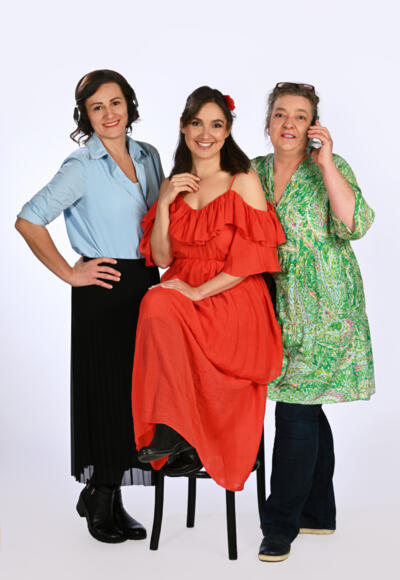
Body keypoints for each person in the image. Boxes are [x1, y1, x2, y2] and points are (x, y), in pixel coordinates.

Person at [15, 69, 164, 543]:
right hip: (103, 288)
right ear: (85, 116)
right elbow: (28, 219)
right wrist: (69, 272)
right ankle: (101, 494)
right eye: (96, 107)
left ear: (129, 105)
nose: (108, 114)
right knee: (107, 392)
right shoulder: (80, 166)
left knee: (136, 395)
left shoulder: (149, 155)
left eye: (115, 102)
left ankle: (110, 492)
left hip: (148, 284)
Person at [131, 86, 285, 491]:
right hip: (183, 294)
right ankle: (173, 429)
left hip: (233, 295)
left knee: (160, 300)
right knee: (156, 301)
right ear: (183, 128)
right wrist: (165, 203)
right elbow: (162, 257)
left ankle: (178, 429)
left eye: (216, 125)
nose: (206, 134)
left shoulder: (242, 180)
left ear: (227, 131)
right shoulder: (174, 183)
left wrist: (199, 292)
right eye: (197, 123)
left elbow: (253, 259)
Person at [251, 82, 375, 562]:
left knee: (293, 411)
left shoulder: (330, 166)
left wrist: (325, 163)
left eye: (300, 116)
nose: (289, 123)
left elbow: (355, 224)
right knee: (306, 406)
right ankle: (318, 512)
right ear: (268, 123)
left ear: (313, 126)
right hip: (275, 308)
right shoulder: (253, 172)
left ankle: (279, 525)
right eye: (281, 114)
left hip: (328, 308)